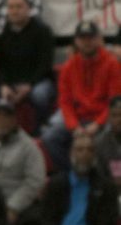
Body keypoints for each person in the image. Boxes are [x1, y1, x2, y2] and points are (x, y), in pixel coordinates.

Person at [42, 21, 121, 171]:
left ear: (98, 39)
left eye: (90, 38)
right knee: (49, 138)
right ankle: (72, 173)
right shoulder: (68, 67)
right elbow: (65, 101)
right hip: (78, 120)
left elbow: (114, 102)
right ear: (76, 41)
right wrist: (74, 126)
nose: (87, 42)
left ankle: (97, 178)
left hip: (103, 120)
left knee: (102, 141)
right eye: (83, 38)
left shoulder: (112, 65)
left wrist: (97, 124)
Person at [0, 0, 55, 128]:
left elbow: (45, 65)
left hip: (37, 81)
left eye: (19, 7)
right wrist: (4, 85)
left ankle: (42, 130)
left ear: (28, 9)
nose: (15, 11)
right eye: (11, 7)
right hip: (10, 82)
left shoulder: (43, 32)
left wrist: (29, 86)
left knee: (40, 95)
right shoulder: (3, 34)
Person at [96, 96, 121, 189]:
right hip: (110, 192)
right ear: (109, 118)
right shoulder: (100, 142)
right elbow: (98, 176)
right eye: (115, 115)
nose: (119, 120)